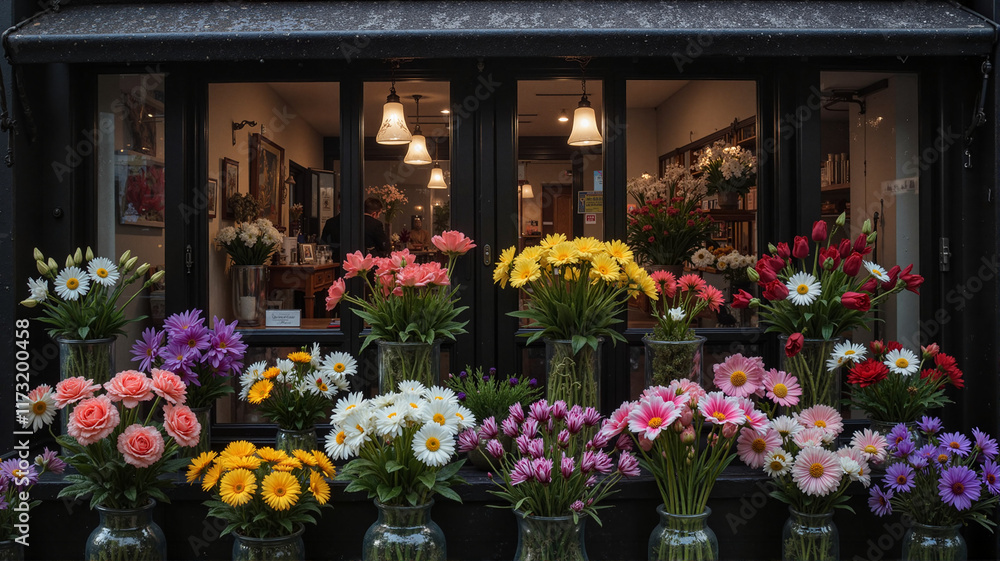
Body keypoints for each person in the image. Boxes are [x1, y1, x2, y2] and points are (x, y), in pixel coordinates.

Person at [320, 197, 390, 257]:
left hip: (335, 257)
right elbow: (384, 245)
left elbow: (323, 243)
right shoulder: (362, 222)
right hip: (363, 258)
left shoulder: (331, 222)